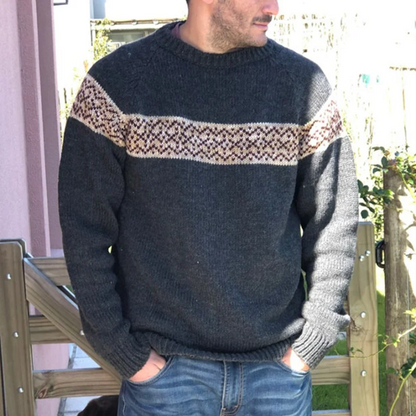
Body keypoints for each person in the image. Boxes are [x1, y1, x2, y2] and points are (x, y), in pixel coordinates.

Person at [58, 0, 359, 414]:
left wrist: (311, 343)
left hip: (276, 373)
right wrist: (124, 353)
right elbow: (84, 228)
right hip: (165, 378)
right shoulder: (117, 86)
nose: (274, 7)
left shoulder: (301, 85)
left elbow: (334, 220)